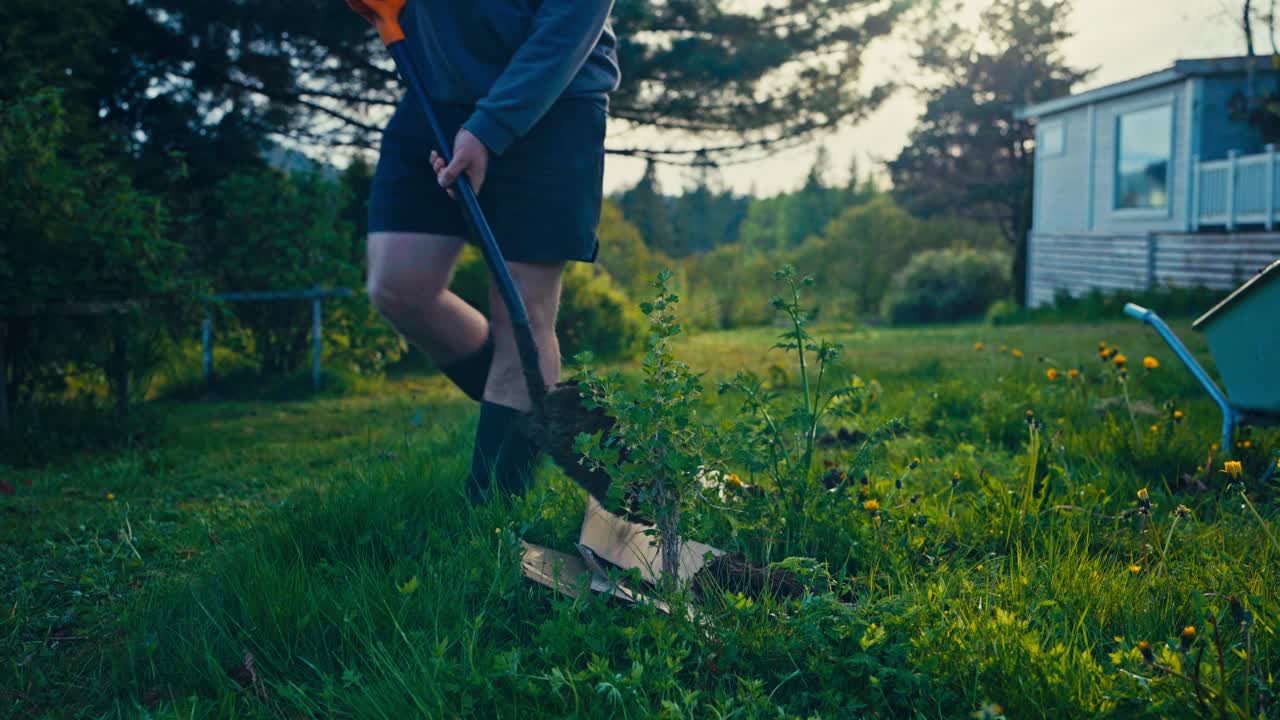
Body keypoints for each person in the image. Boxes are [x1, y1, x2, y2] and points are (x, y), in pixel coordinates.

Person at [364, 0, 620, 502]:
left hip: (551, 96)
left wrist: (489, 129)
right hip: (435, 94)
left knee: (523, 311)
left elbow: (572, 21)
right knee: (398, 286)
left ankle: (492, 513)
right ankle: (548, 419)